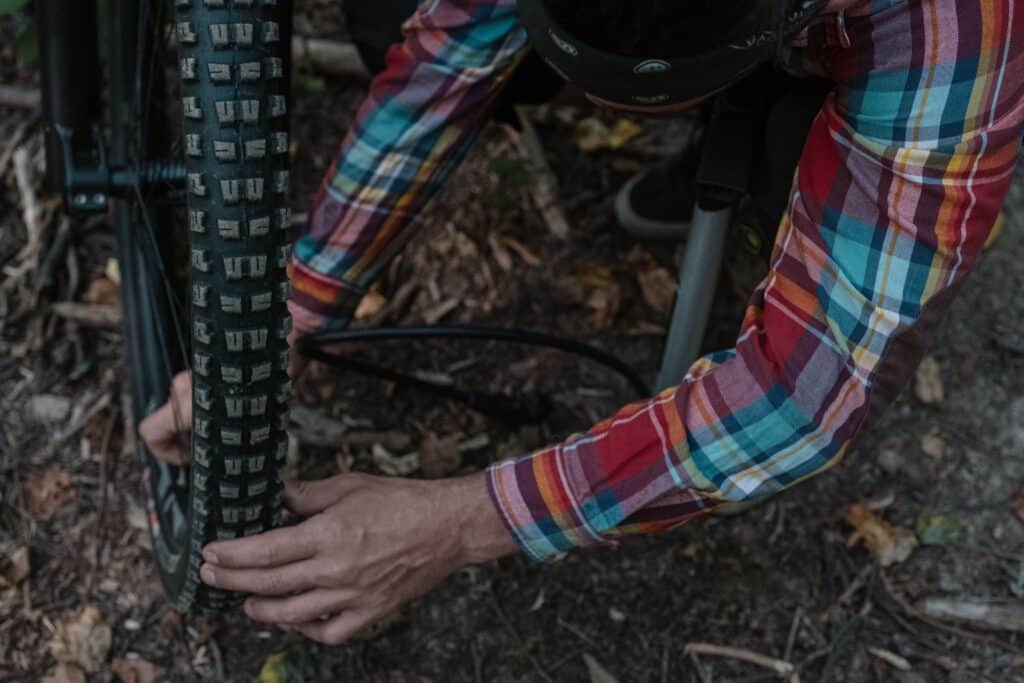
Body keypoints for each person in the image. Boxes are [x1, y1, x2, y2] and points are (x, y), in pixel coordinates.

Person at [139, 0, 1024, 645]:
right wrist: (293, 305)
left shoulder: (954, 26)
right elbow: (443, 66)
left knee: (790, 168)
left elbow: (807, 391)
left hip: (854, 51)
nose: (606, 111)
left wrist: (464, 521)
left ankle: (763, 165)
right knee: (387, 17)